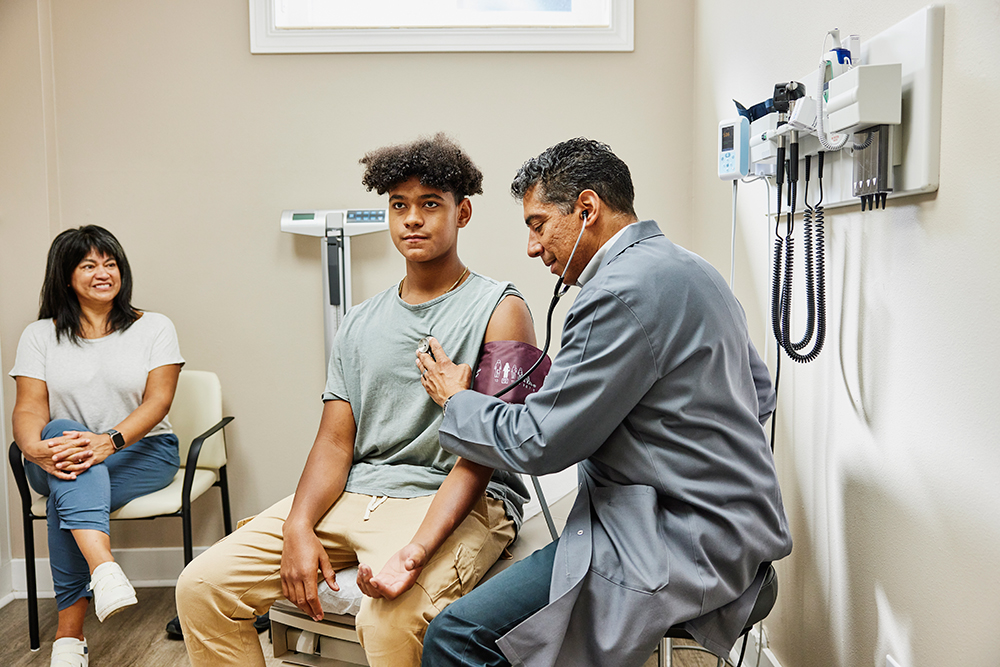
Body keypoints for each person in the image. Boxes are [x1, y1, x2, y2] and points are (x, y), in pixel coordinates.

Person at [418, 138, 794, 667]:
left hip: (676, 543)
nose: (532, 246)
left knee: (457, 635)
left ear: (587, 208)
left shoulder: (615, 292)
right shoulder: (694, 269)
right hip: (738, 532)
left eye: (538, 223)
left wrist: (457, 400)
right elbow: (759, 392)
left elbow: (540, 442)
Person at [175, 133, 536, 667]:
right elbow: (334, 442)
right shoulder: (359, 323)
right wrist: (298, 526)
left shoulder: (501, 308)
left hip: (455, 498)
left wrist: (414, 552)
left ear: (463, 213)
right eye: (398, 206)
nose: (412, 219)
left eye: (429, 204)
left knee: (388, 621)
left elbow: (488, 450)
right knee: (200, 586)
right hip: (358, 494)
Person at [10, 225, 185, 667]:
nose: (102, 273)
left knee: (64, 499)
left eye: (110, 263)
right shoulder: (39, 336)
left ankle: (69, 638)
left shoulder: (155, 327)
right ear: (66, 276)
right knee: (66, 432)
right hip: (56, 454)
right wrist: (33, 447)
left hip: (142, 451)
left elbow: (159, 400)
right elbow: (30, 408)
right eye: (88, 265)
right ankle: (105, 569)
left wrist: (108, 442)